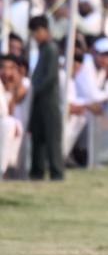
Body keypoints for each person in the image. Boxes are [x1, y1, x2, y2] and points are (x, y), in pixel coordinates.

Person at [28, 16, 63, 179]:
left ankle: (56, 172)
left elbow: (49, 77)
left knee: (51, 139)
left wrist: (33, 89)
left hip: (48, 101)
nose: (35, 36)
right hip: (39, 100)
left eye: (37, 32)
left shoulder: (51, 49)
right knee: (38, 137)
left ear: (45, 30)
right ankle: (37, 171)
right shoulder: (43, 49)